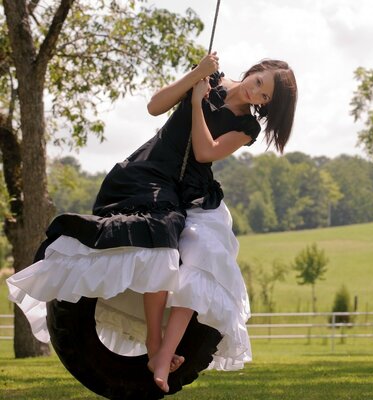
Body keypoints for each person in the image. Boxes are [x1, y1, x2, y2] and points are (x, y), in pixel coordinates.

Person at [6, 52, 298, 393]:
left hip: (188, 192)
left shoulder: (246, 126)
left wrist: (195, 102)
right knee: (159, 236)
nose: (256, 93)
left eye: (264, 98)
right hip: (146, 174)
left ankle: (162, 353)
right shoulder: (210, 78)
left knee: (202, 256)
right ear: (256, 70)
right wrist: (195, 77)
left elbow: (204, 152)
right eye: (259, 83)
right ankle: (155, 342)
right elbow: (155, 107)